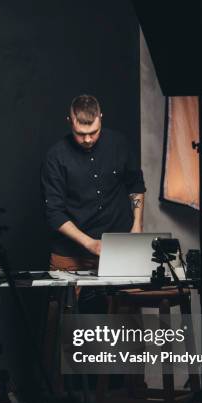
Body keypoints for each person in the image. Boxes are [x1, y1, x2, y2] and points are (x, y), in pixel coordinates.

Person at [41, 95, 146, 272]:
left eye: (94, 132)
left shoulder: (119, 144)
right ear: (70, 122)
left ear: (101, 118)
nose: (88, 139)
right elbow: (54, 212)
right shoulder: (55, 157)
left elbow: (135, 186)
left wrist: (137, 225)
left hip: (119, 248)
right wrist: (90, 243)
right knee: (65, 300)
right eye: (80, 134)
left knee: (131, 298)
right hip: (70, 254)